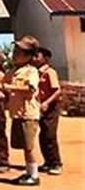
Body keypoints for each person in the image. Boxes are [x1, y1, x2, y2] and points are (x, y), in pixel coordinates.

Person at [0, 36, 42, 186]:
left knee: (29, 147)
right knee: (23, 145)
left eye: (19, 52)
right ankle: (29, 172)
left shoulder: (31, 71)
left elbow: (30, 89)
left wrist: (10, 88)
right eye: (15, 50)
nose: (15, 54)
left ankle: (34, 175)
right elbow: (2, 83)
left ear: (29, 56)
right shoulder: (14, 71)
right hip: (17, 114)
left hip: (28, 114)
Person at [34, 46, 63, 175]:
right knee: (43, 135)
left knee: (50, 135)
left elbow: (57, 91)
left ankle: (56, 163)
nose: (35, 58)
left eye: (37, 56)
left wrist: (46, 102)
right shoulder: (36, 73)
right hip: (41, 107)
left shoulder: (50, 72)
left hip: (51, 107)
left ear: (45, 58)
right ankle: (48, 162)